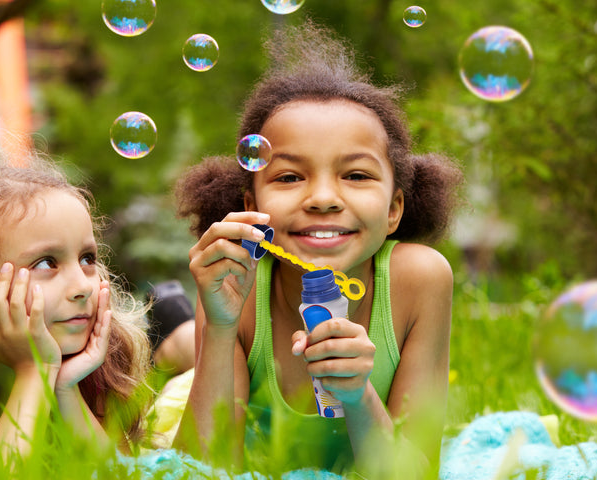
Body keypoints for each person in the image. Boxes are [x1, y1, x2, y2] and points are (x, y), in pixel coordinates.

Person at [173, 22, 463, 474]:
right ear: (252, 206)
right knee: (178, 372)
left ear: (394, 209)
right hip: (191, 395)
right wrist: (219, 329)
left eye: (356, 175)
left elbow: (417, 471)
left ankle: (171, 332)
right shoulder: (238, 284)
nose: (323, 198)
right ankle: (170, 327)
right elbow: (196, 470)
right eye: (289, 177)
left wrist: (358, 394)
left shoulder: (420, 279)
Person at [0, 159, 152, 457]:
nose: (83, 287)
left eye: (87, 259)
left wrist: (66, 388)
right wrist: (35, 371)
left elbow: (120, 477)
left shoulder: (96, 373)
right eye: (46, 263)